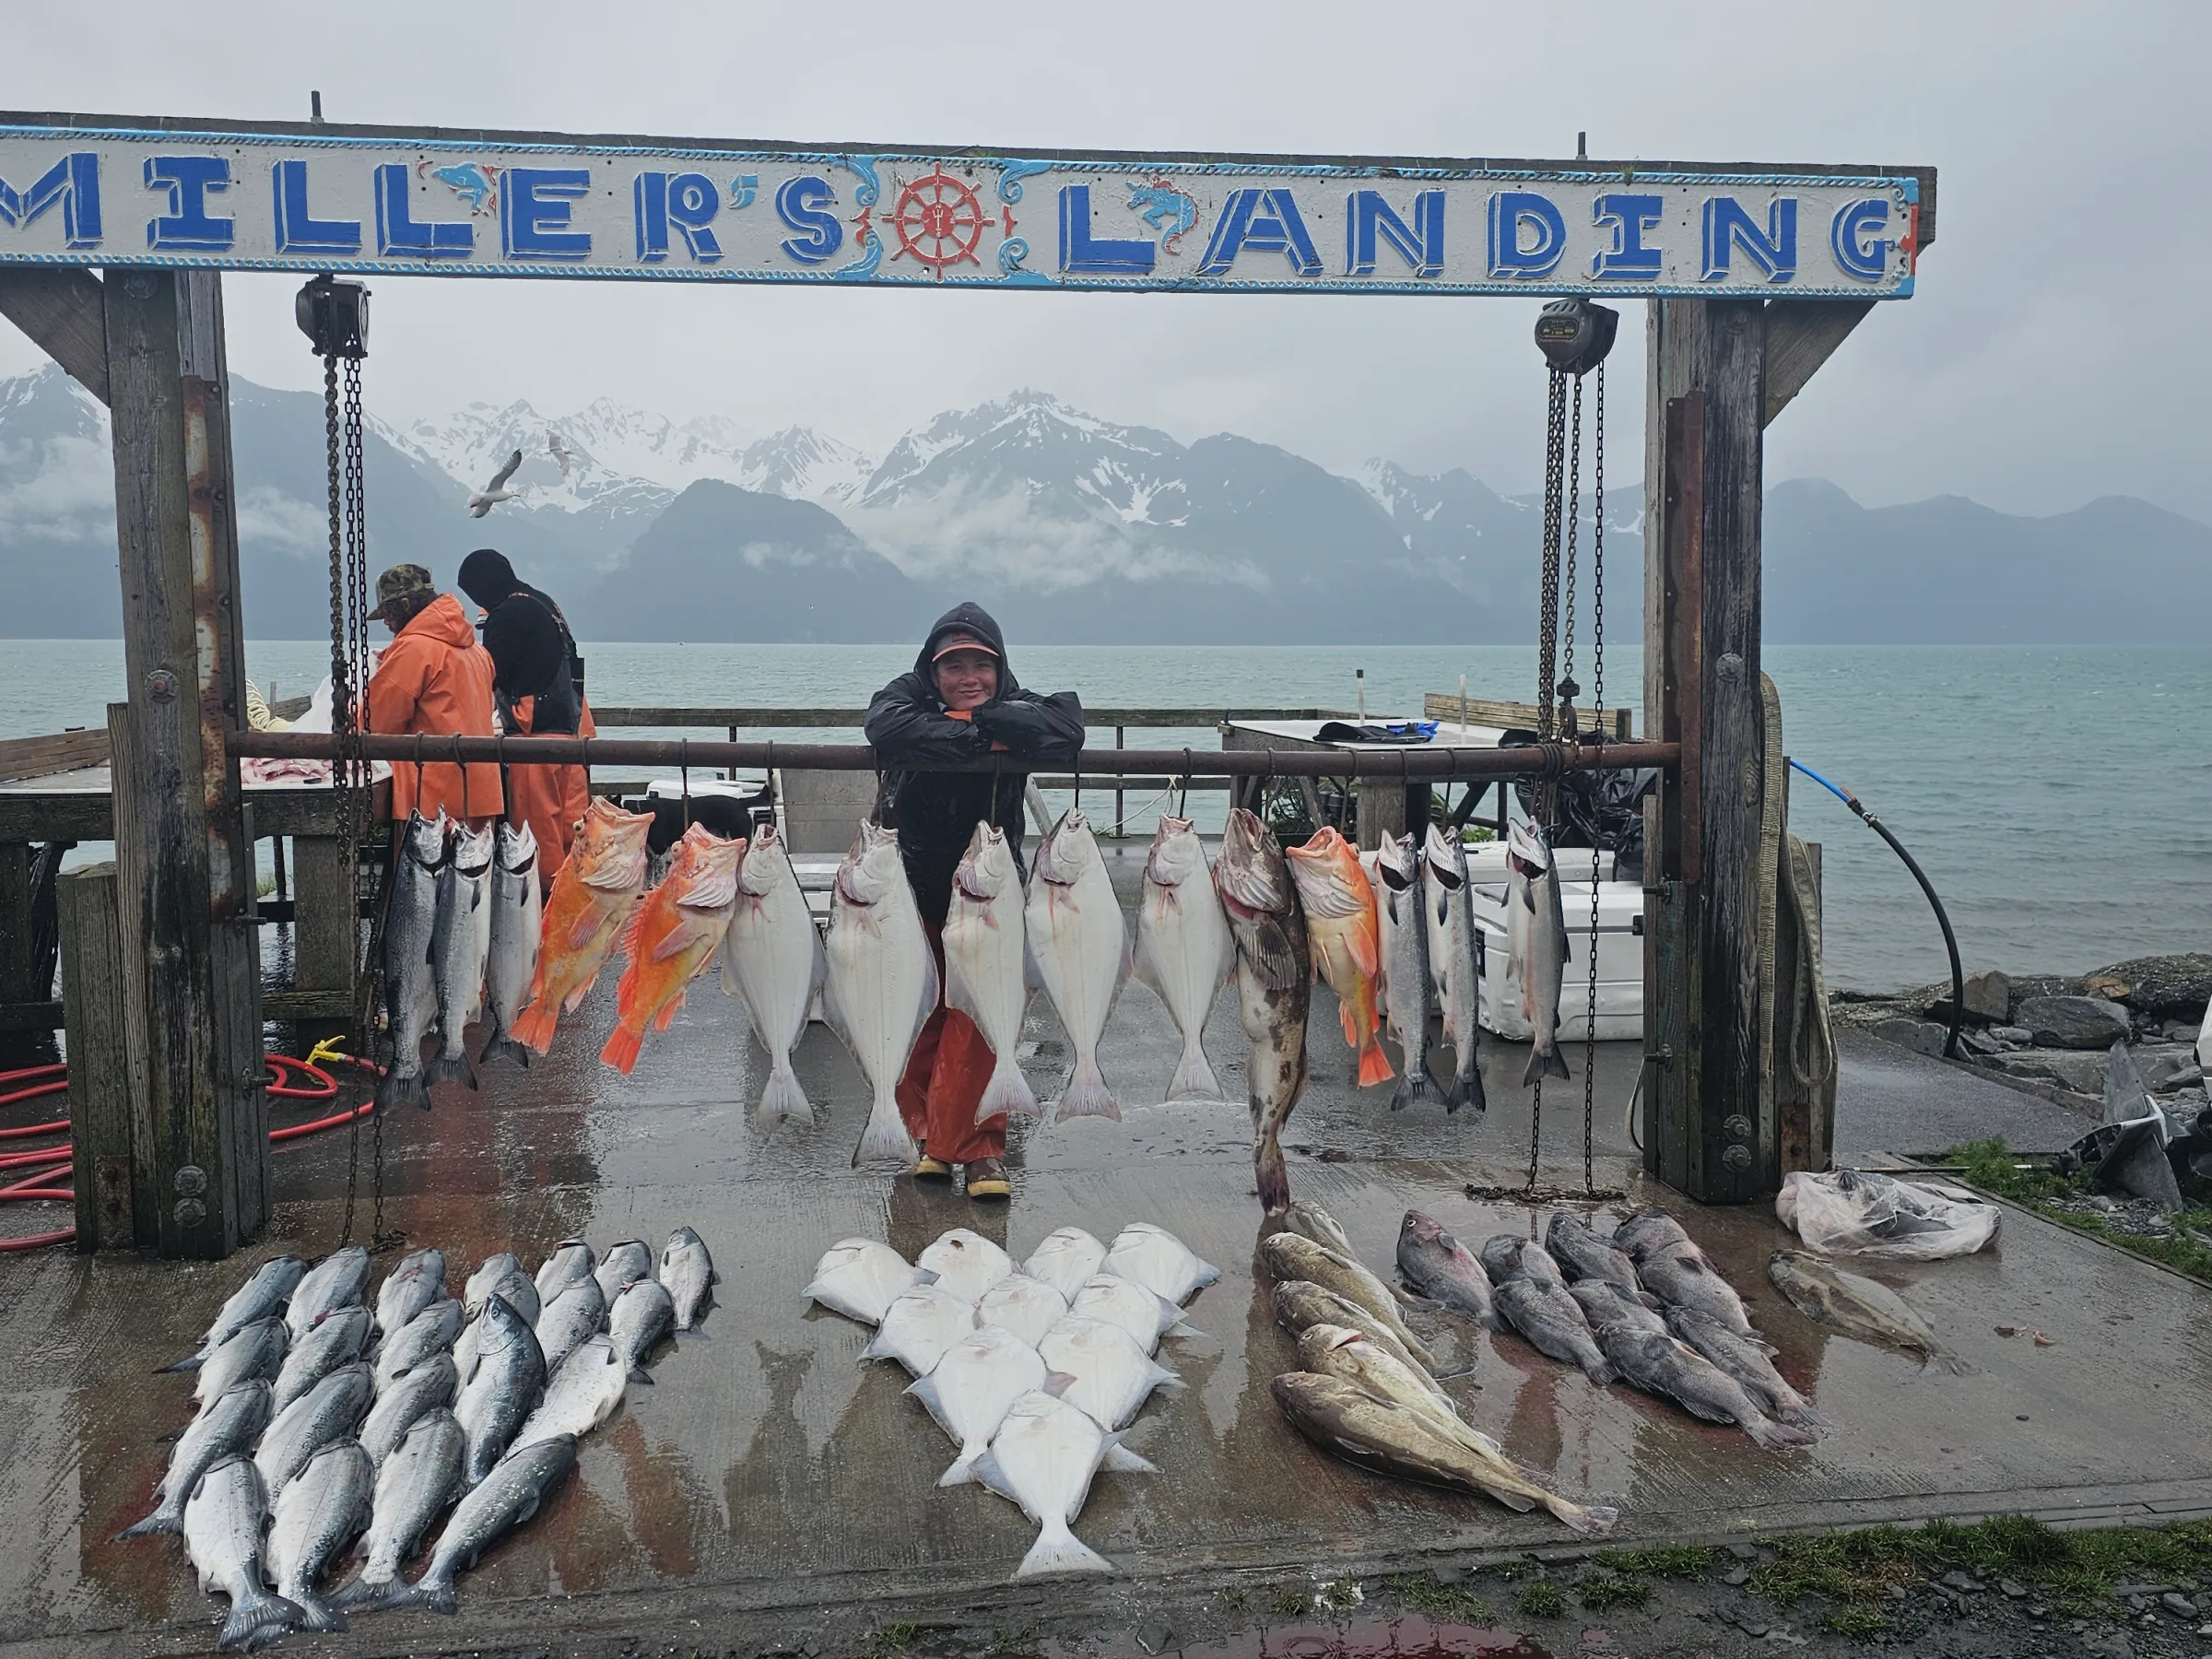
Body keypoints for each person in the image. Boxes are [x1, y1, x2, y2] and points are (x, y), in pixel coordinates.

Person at [865, 603, 1083, 1201]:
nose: (969, 676)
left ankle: (983, 1152)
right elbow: (886, 726)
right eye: (954, 665)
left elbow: (1066, 728)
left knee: (982, 1026)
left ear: (1000, 665)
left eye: (981, 665)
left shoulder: (1019, 703)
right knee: (917, 1021)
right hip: (913, 894)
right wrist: (977, 733)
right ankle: (931, 1139)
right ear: (931, 670)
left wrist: (988, 719)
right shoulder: (905, 695)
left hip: (989, 903)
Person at [456, 547, 596, 885]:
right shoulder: (545, 603)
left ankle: (543, 903)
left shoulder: (507, 613)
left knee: (536, 833)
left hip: (535, 738)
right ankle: (578, 900)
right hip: (573, 732)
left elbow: (490, 671)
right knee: (575, 827)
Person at [363, 563, 502, 828]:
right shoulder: (475, 649)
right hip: (482, 793)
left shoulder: (414, 648)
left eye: (387, 612)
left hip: (431, 803)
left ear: (405, 605)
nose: (386, 621)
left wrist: (347, 713)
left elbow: (376, 722)